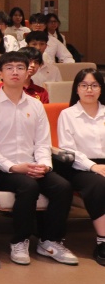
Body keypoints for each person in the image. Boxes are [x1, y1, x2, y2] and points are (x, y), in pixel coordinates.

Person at [0, 51, 76, 266]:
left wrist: (45, 166)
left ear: (27, 73)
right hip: (1, 170)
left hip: (33, 165)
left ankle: (50, 240)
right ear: (0, 73)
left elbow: (42, 143)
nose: (15, 72)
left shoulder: (36, 105)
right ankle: (19, 241)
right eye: (9, 68)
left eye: (20, 68)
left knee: (63, 187)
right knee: (27, 186)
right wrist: (14, 167)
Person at [56, 69, 105, 265]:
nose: (89, 90)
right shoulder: (68, 115)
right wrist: (93, 166)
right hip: (79, 165)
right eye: (84, 85)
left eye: (94, 85)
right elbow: (68, 150)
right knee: (99, 184)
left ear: (101, 89)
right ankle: (102, 241)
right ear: (76, 89)